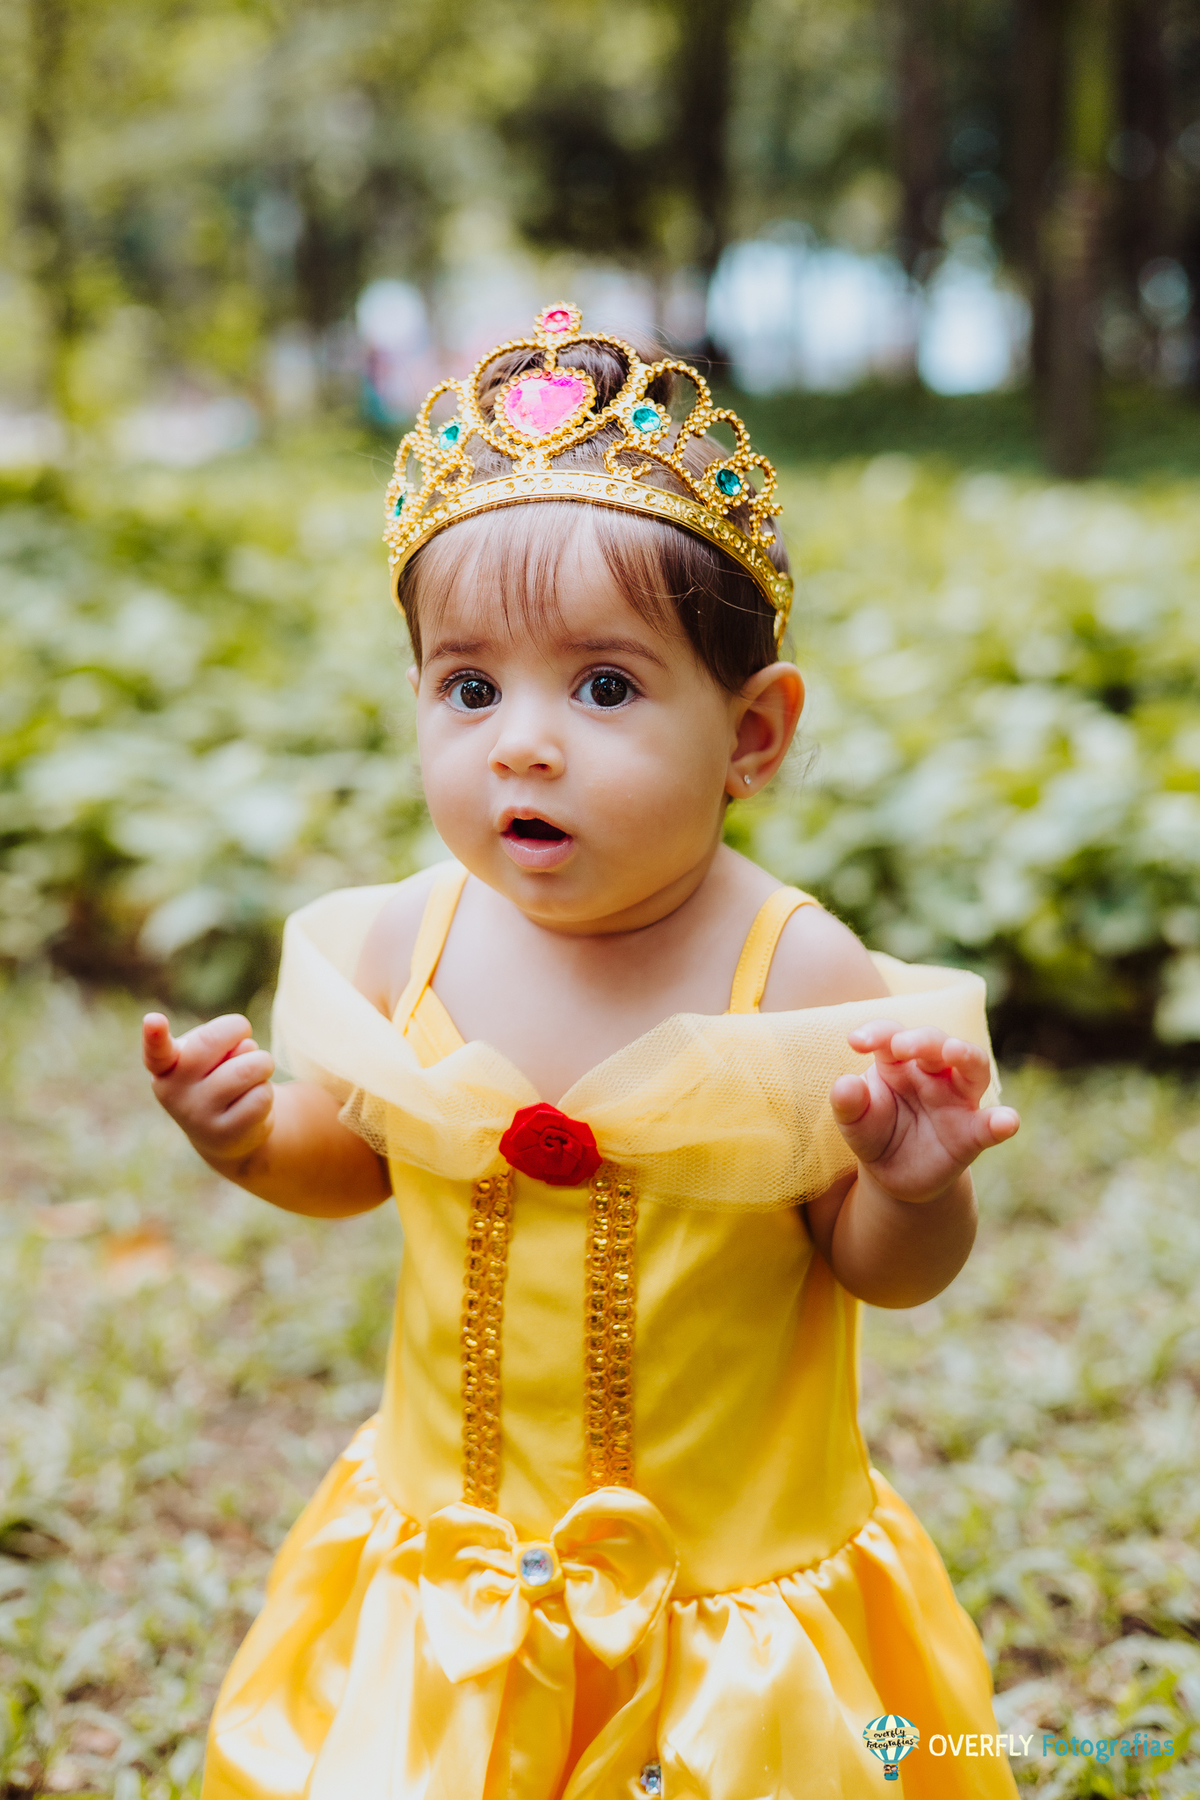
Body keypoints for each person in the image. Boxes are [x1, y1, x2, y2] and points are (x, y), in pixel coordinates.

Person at [143, 305, 1020, 1800]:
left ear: (753, 735)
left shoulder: (794, 973)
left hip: (725, 1625)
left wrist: (914, 1187)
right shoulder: (400, 944)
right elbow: (352, 1162)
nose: (522, 745)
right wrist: (247, 1138)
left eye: (604, 687)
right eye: (467, 687)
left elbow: (873, 1265)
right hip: (447, 1587)